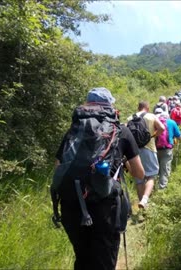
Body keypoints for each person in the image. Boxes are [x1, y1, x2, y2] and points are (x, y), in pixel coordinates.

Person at [54, 87, 145, 270]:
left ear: (87, 105)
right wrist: (123, 162)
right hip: (105, 208)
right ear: (110, 105)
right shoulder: (121, 131)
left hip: (71, 205)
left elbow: (58, 168)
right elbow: (139, 173)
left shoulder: (73, 131)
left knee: (82, 258)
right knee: (104, 261)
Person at [127, 101, 165, 209]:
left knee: (139, 179)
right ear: (147, 108)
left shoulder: (130, 118)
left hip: (134, 152)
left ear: (138, 107)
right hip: (149, 149)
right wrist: (153, 136)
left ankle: (142, 206)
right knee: (151, 176)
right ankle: (144, 200)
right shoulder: (151, 116)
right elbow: (162, 128)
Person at [154, 108, 181, 189]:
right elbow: (179, 136)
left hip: (155, 148)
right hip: (167, 149)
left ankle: (153, 187)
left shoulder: (156, 122)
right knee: (165, 168)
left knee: (156, 168)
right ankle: (163, 189)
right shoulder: (171, 122)